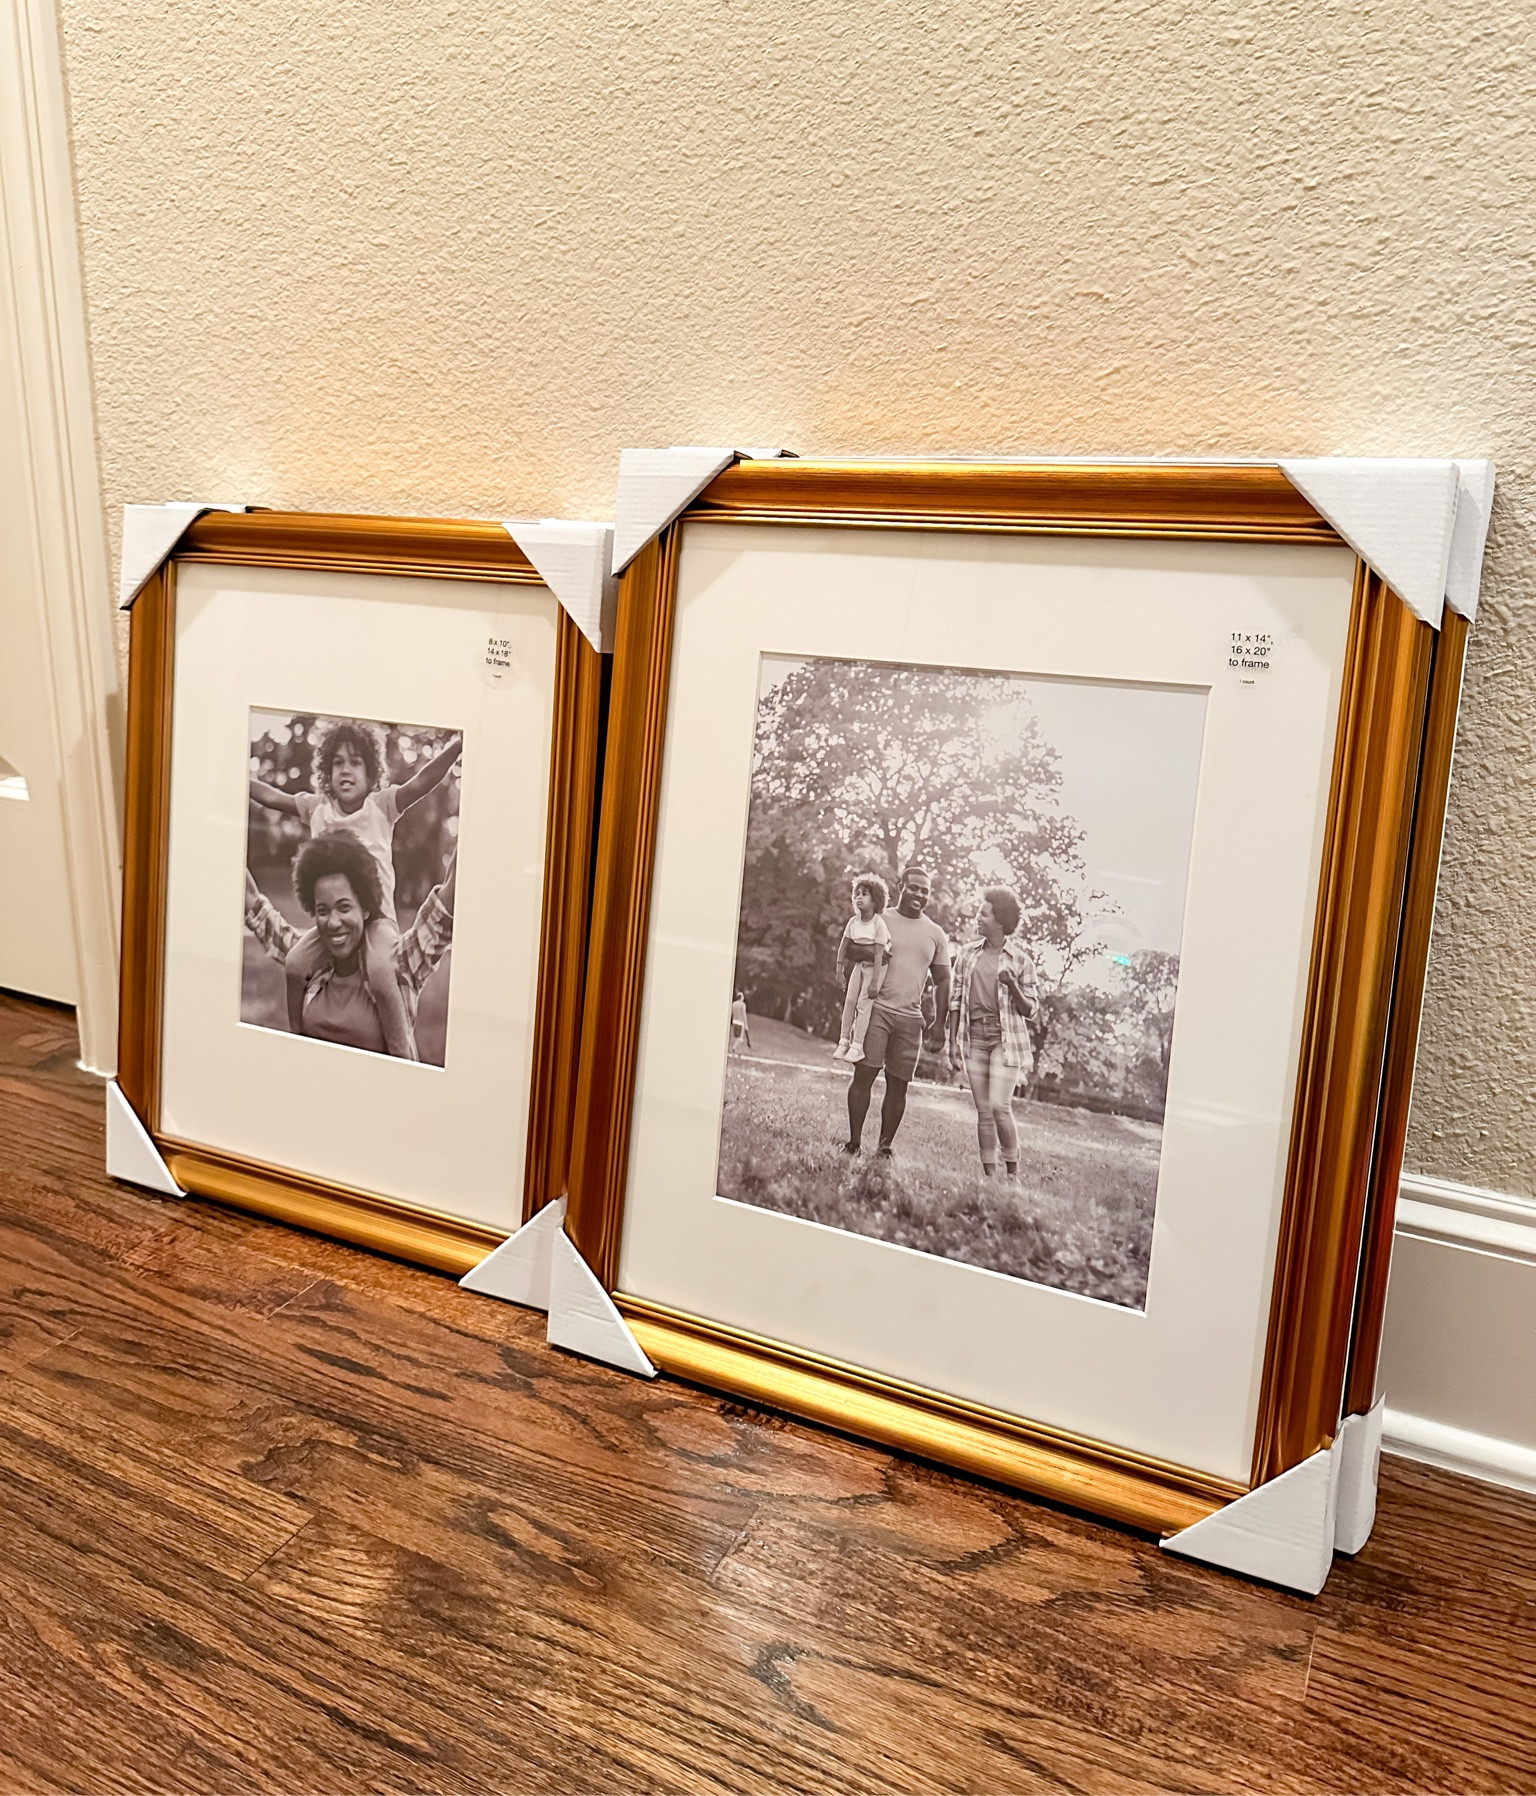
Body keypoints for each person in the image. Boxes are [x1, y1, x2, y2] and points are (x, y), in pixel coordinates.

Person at [249, 720, 462, 1059]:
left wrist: (457, 747)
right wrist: (237, 778)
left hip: (378, 920)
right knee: (294, 963)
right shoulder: (317, 808)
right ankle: (297, 1037)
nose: (345, 770)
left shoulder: (382, 805)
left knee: (380, 971)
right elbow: (274, 798)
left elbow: (421, 782)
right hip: (336, 914)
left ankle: (400, 1053)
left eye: (355, 762)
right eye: (337, 763)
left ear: (371, 772)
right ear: (327, 771)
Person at [244, 829, 456, 1058]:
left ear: (365, 908)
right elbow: (254, 905)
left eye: (344, 907)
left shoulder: (398, 967)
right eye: (323, 911)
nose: (333, 922)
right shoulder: (309, 965)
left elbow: (446, 904)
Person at [844, 864, 950, 1158]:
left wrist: (939, 1023)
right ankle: (854, 1142)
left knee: (899, 1085)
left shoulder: (935, 934)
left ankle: (884, 1147)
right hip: (875, 1009)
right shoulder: (879, 919)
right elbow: (850, 949)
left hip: (910, 1018)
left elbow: (943, 980)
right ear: (901, 887)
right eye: (913, 887)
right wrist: (873, 952)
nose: (919, 894)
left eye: (925, 891)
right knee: (864, 1075)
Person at [947, 887, 1039, 1178]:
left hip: (1004, 1040)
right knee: (984, 1111)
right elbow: (955, 1000)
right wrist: (952, 1042)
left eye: (984, 914)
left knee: (1000, 1105)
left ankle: (1012, 1175)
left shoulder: (1021, 961)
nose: (978, 918)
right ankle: (989, 1178)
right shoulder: (966, 954)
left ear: (1000, 921)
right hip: (974, 1037)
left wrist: (1012, 985)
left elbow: (1031, 1010)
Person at [833, 874, 891, 1063]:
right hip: (860, 965)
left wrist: (874, 983)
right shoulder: (853, 922)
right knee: (850, 1000)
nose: (859, 897)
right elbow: (843, 947)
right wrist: (839, 971)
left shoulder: (878, 924)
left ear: (875, 900)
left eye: (864, 894)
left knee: (863, 1004)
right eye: (857, 894)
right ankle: (843, 1041)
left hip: (876, 967)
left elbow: (878, 955)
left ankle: (857, 1046)